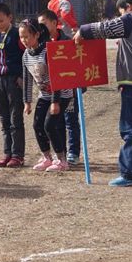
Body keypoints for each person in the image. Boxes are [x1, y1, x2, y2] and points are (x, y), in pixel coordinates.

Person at [74, 0, 132, 186]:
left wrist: (82, 31)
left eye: (121, 12)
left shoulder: (131, 19)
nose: (120, 16)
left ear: (129, 8)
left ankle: (130, 174)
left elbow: (105, 28)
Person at [19, 19, 71, 172]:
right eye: (21, 37)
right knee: (37, 125)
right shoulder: (26, 55)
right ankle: (46, 157)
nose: (24, 40)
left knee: (50, 125)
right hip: (44, 95)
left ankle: (62, 160)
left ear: (36, 34)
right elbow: (27, 79)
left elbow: (56, 77)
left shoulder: (48, 51)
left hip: (61, 94)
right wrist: (27, 102)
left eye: (26, 36)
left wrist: (55, 102)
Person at [0, 2, 26, 168]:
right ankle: (7, 152)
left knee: (15, 118)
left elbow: (26, 54)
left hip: (13, 80)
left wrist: (22, 76)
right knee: (3, 119)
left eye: (1, 20)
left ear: (10, 18)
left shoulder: (18, 34)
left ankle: (18, 155)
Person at [39, 9, 81, 164]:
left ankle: (73, 153)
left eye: (43, 24)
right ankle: (60, 152)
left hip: (68, 91)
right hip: (50, 92)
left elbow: (77, 64)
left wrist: (78, 87)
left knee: (70, 120)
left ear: (54, 23)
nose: (40, 27)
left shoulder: (67, 41)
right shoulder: (41, 43)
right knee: (55, 122)